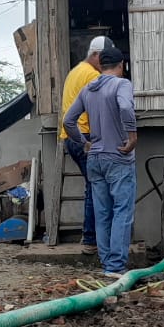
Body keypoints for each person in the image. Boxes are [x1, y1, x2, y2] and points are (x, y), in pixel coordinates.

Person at [61, 46, 137, 276]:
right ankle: (116, 266)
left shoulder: (88, 89)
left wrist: (83, 142)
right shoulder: (122, 84)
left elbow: (68, 121)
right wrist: (132, 135)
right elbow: (126, 106)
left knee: (102, 212)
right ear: (121, 65)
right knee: (122, 210)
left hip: (95, 157)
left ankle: (107, 264)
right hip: (118, 156)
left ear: (101, 65)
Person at [59, 36, 112, 254]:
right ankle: (91, 240)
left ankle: (92, 238)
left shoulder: (76, 71)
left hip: (71, 136)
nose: (107, 65)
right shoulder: (93, 76)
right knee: (96, 186)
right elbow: (100, 108)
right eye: (105, 59)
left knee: (93, 185)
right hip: (85, 137)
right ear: (96, 55)